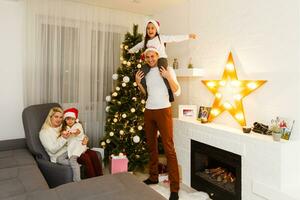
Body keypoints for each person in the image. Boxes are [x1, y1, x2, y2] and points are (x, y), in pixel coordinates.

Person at [135, 47, 181, 200]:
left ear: (157, 56)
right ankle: (153, 177)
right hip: (149, 111)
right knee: (151, 146)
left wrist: (168, 76)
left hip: (164, 111)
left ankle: (174, 188)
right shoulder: (146, 72)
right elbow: (147, 93)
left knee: (169, 148)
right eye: (147, 57)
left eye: (152, 56)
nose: (150, 59)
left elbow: (177, 90)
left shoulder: (166, 69)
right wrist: (138, 83)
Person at [129, 19, 196, 102]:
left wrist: (188, 36)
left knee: (163, 72)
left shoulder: (161, 38)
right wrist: (130, 51)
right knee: (141, 72)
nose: (150, 30)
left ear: (156, 29)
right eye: (148, 28)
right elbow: (138, 46)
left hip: (161, 59)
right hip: (151, 61)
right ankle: (146, 93)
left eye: (152, 28)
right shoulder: (145, 41)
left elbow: (174, 38)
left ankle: (169, 91)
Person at [39, 107, 102, 182]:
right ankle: (92, 182)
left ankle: (100, 179)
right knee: (85, 158)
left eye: (61, 117)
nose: (59, 119)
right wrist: (64, 138)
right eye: (56, 117)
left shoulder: (62, 126)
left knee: (93, 154)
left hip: (71, 149)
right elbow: (52, 150)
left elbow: (77, 133)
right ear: (50, 117)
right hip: (60, 155)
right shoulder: (44, 132)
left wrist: (85, 138)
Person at [61, 107, 103, 178]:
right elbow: (63, 138)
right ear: (65, 120)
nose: (70, 121)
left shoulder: (78, 125)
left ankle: (100, 176)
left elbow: (78, 131)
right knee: (86, 158)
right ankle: (92, 178)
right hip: (73, 150)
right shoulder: (64, 128)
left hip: (80, 146)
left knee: (93, 154)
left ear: (75, 119)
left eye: (72, 119)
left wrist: (83, 137)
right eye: (68, 119)